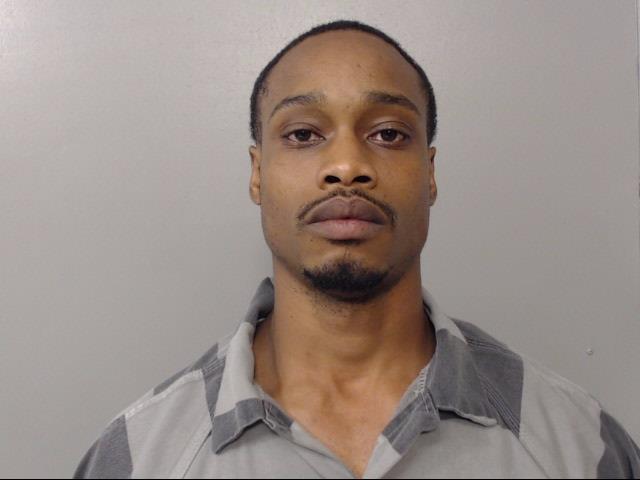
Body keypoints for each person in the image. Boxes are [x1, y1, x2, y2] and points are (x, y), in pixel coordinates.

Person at [73, 19, 640, 479]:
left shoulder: (580, 447)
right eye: (303, 134)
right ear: (257, 173)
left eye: (388, 133)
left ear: (430, 173)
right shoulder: (140, 457)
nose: (346, 166)